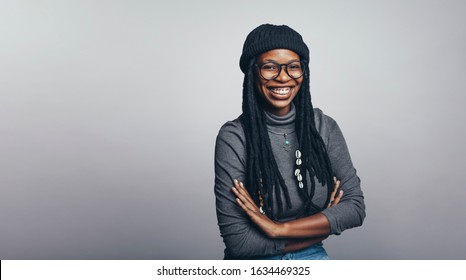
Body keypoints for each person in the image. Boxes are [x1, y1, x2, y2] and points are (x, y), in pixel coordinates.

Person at [214, 24, 365, 260]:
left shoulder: (323, 127)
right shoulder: (234, 137)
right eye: (269, 67)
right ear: (253, 73)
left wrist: (277, 229)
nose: (283, 77)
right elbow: (240, 242)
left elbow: (354, 208)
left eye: (293, 67)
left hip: (312, 255)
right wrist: (321, 226)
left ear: (303, 72)